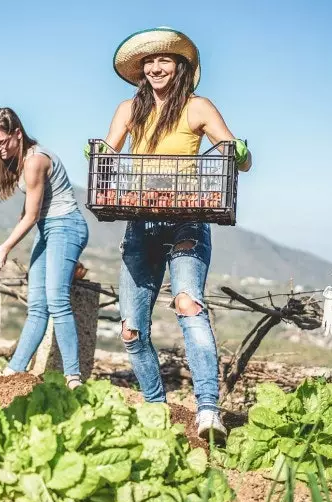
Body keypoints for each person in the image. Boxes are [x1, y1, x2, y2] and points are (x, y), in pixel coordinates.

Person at [98, 27, 252, 441]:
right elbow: (107, 155)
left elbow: (237, 157)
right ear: (140, 70)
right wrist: (98, 155)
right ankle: (155, 407)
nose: (155, 67)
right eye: (149, 62)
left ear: (181, 67)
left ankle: (207, 411)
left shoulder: (198, 108)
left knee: (187, 304)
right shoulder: (129, 109)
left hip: (187, 218)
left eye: (165, 60)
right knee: (131, 330)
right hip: (140, 222)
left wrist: (238, 151)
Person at [0, 108, 89, 389]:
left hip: (66, 225)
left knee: (56, 299)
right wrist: (13, 237)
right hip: (47, 229)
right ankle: (15, 370)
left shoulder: (35, 160)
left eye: (2, 142)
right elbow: (29, 213)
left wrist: (4, 248)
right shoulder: (22, 159)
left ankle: (73, 376)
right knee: (37, 305)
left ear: (17, 133)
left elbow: (32, 215)